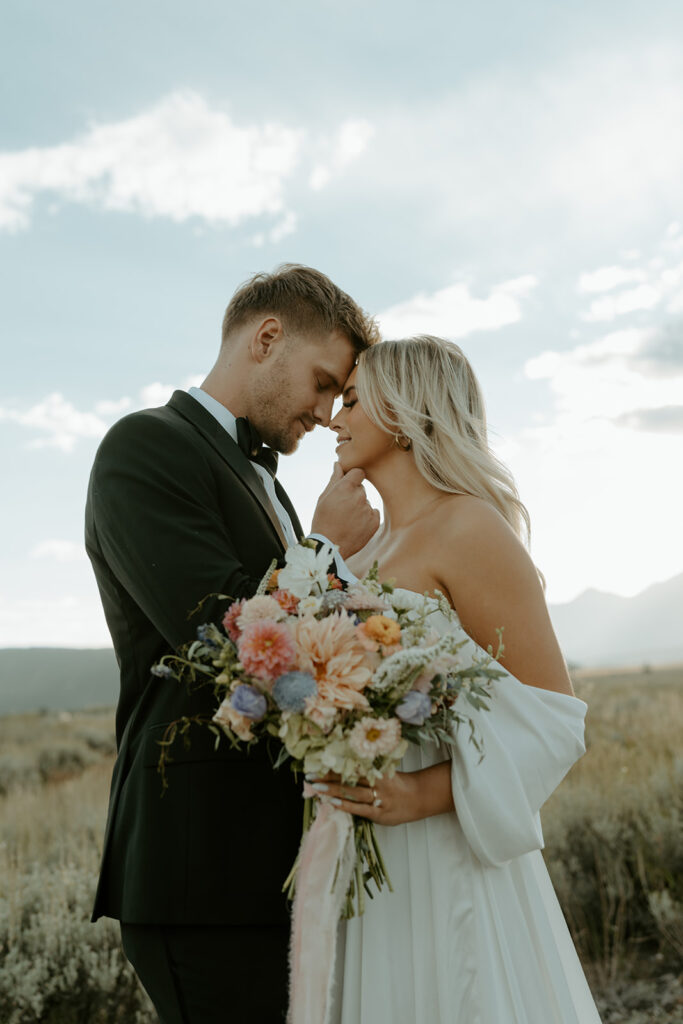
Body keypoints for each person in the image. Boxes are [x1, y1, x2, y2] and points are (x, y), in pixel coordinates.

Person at [84, 264, 380, 1024]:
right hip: (198, 864)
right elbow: (219, 635)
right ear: (267, 337)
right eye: (321, 383)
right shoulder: (144, 446)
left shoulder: (273, 487)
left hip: (275, 861)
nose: (324, 411)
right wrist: (322, 548)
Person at [311, 334, 601, 1023]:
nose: (333, 417)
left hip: (445, 844)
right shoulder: (363, 550)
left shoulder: (468, 527)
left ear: (407, 410)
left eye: (352, 399)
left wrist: (419, 793)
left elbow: (555, 720)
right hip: (364, 853)